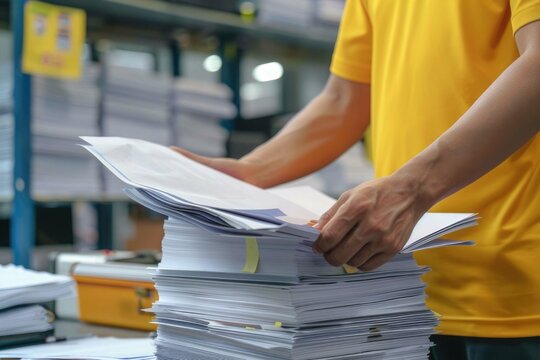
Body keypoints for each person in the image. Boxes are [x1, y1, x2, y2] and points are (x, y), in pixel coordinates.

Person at [173, 1, 540, 359]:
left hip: (516, 291)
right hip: (405, 291)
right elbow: (344, 101)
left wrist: (411, 189)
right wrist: (249, 172)